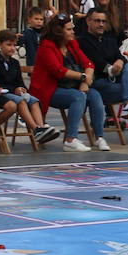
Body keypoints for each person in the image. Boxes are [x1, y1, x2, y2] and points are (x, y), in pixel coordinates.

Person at [77, 7, 128, 148]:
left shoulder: (109, 39)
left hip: (112, 84)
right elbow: (95, 62)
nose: (101, 24)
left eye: (103, 21)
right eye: (97, 21)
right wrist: (113, 69)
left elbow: (119, 56)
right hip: (95, 84)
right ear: (88, 21)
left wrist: (120, 61)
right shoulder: (82, 41)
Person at [29, 13, 102, 152]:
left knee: (94, 95)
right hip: (49, 89)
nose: (73, 32)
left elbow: (88, 63)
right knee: (78, 97)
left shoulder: (72, 44)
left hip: (71, 86)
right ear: (58, 31)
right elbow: (58, 71)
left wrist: (85, 82)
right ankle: (70, 140)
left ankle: (99, 137)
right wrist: (83, 77)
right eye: (69, 29)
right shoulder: (46, 47)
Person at [0, 29, 60, 145]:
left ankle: (41, 127)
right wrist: (13, 90)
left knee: (34, 100)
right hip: (1, 94)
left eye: (14, 45)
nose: (12, 48)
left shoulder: (15, 63)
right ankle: (35, 130)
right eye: (8, 45)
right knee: (21, 102)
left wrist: (21, 88)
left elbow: (19, 82)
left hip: (14, 93)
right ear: (0, 44)